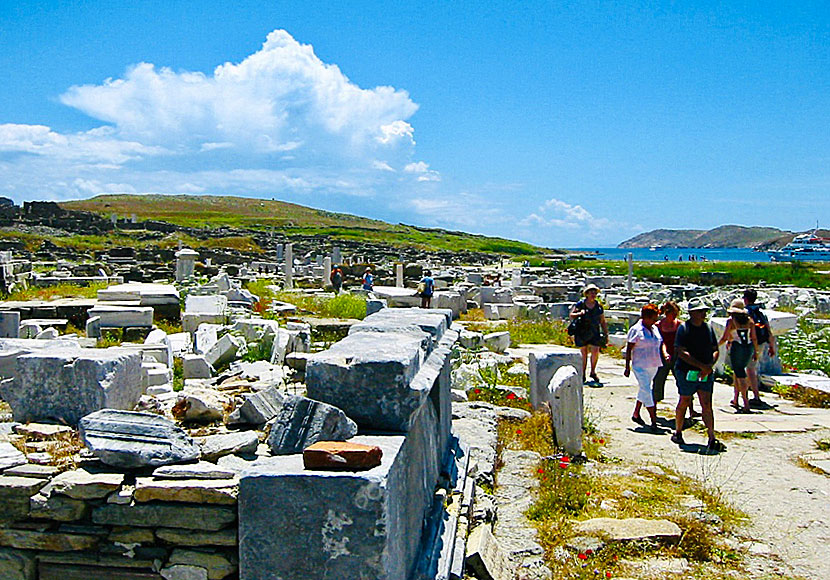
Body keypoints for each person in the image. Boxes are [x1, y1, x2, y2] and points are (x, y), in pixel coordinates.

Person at [671, 298, 726, 453]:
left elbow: (715, 349)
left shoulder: (708, 329)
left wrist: (709, 366)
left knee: (706, 404)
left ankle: (711, 436)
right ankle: (678, 431)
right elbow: (681, 351)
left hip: (705, 372)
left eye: (704, 311)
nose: (703, 314)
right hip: (687, 371)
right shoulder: (684, 329)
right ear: (692, 313)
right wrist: (702, 366)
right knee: (685, 399)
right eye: (700, 311)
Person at [625, 304, 667, 433]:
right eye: (653, 318)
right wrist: (627, 366)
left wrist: (665, 354)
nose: (655, 321)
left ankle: (636, 413)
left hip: (653, 364)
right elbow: (629, 348)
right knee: (648, 391)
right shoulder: (636, 330)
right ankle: (653, 420)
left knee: (645, 388)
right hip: (640, 365)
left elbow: (660, 343)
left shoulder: (654, 329)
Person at [719, 298, 758, 413]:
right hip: (748, 347)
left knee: (739, 373)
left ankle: (745, 403)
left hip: (737, 347)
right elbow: (754, 338)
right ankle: (735, 398)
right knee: (738, 371)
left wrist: (716, 345)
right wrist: (756, 351)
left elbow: (725, 337)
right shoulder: (750, 321)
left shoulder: (731, 321)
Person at [569, 284, 608, 383]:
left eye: (595, 293)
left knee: (595, 351)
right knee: (584, 353)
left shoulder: (598, 306)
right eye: (591, 293)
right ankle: (582, 373)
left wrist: (606, 333)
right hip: (582, 330)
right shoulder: (580, 304)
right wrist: (580, 313)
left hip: (594, 330)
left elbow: (602, 320)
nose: (593, 295)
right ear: (587, 294)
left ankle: (593, 371)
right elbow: (571, 315)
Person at [743, 288, 776, 407]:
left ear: (745, 299)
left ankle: (755, 396)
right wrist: (771, 346)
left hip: (749, 344)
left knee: (750, 370)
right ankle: (744, 392)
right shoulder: (760, 313)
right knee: (752, 368)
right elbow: (768, 330)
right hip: (762, 343)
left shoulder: (744, 313)